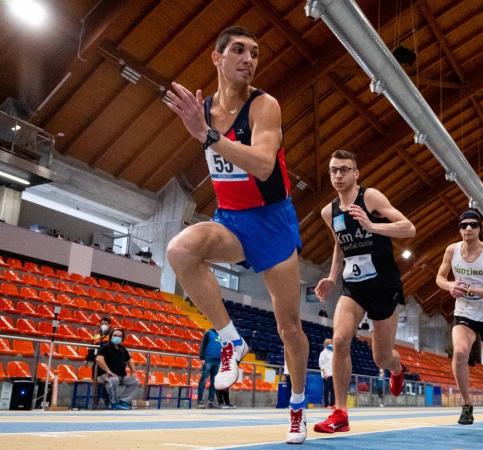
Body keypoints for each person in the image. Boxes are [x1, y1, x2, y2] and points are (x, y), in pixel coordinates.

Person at [164, 25, 309, 444]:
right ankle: (231, 341)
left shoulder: (265, 106)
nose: (249, 59)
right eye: (240, 50)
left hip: (272, 220)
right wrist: (202, 127)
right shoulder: (202, 108)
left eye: (256, 53)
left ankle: (297, 407)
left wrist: (207, 136)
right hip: (231, 219)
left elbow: (264, 165)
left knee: (290, 329)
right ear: (217, 58)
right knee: (181, 249)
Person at [313, 150, 416, 433]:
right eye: (334, 170)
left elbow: (409, 228)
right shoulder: (328, 212)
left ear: (356, 173)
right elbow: (339, 245)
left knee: (381, 357)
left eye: (344, 169)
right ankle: (340, 413)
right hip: (353, 286)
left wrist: (372, 225)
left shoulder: (370, 197)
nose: (338, 175)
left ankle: (397, 369)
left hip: (383, 285)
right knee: (340, 338)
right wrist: (332, 277)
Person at [436, 209, 483, 432]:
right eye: (464, 225)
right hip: (464, 312)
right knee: (459, 353)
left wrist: (471, 289)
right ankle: (467, 404)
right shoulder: (452, 250)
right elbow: (439, 277)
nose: (468, 228)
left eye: (473, 225)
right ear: (459, 229)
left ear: (479, 228)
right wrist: (451, 286)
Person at [95, 328, 140, 410]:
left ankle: (123, 401)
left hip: (121, 376)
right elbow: (99, 359)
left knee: (135, 381)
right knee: (114, 380)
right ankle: (114, 403)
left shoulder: (123, 349)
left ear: (122, 338)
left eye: (120, 336)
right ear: (111, 336)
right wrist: (108, 371)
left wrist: (134, 372)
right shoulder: (105, 347)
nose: (117, 337)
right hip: (105, 375)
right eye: (115, 335)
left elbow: (129, 360)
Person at [87, 316, 111, 409]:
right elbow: (91, 348)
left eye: (105, 323)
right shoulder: (96, 335)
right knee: (96, 382)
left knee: (105, 382)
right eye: (102, 323)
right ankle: (95, 402)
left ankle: (107, 401)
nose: (103, 325)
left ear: (109, 325)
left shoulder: (112, 335)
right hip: (96, 362)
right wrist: (88, 359)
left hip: (106, 362)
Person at [197, 328, 222, 409]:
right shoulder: (208, 333)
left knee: (214, 382)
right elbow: (203, 345)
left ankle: (211, 402)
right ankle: (200, 402)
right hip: (208, 359)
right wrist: (202, 357)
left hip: (217, 361)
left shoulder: (222, 335)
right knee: (203, 380)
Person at [318, 339, 334, 408]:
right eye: (330, 343)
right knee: (326, 389)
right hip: (327, 373)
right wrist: (324, 373)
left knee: (333, 390)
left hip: (332, 373)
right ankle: (326, 404)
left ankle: (332, 404)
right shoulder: (323, 353)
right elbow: (321, 364)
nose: (331, 344)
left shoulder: (332, 352)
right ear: (326, 344)